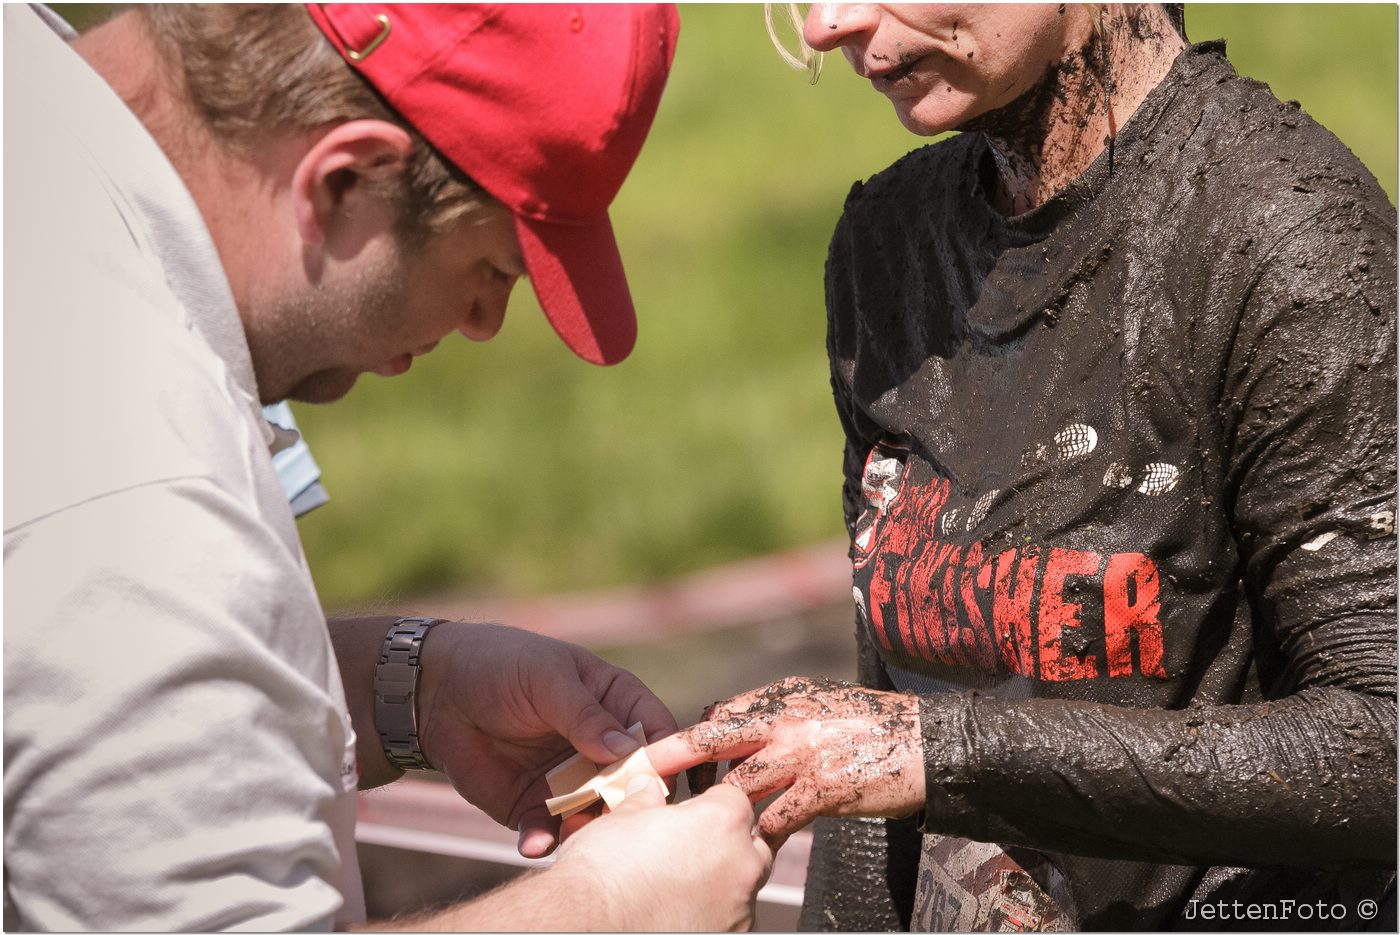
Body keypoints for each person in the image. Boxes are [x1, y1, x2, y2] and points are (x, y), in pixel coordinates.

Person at [3, 4, 771, 930]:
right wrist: (610, 904)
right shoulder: (145, 504)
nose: (485, 324)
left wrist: (409, 685)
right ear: (345, 180)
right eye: (493, 269)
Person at [649, 3, 1396, 930]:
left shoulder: (1287, 240)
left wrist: (941, 751)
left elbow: (1383, 745)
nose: (829, 25)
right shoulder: (889, 242)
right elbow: (883, 731)